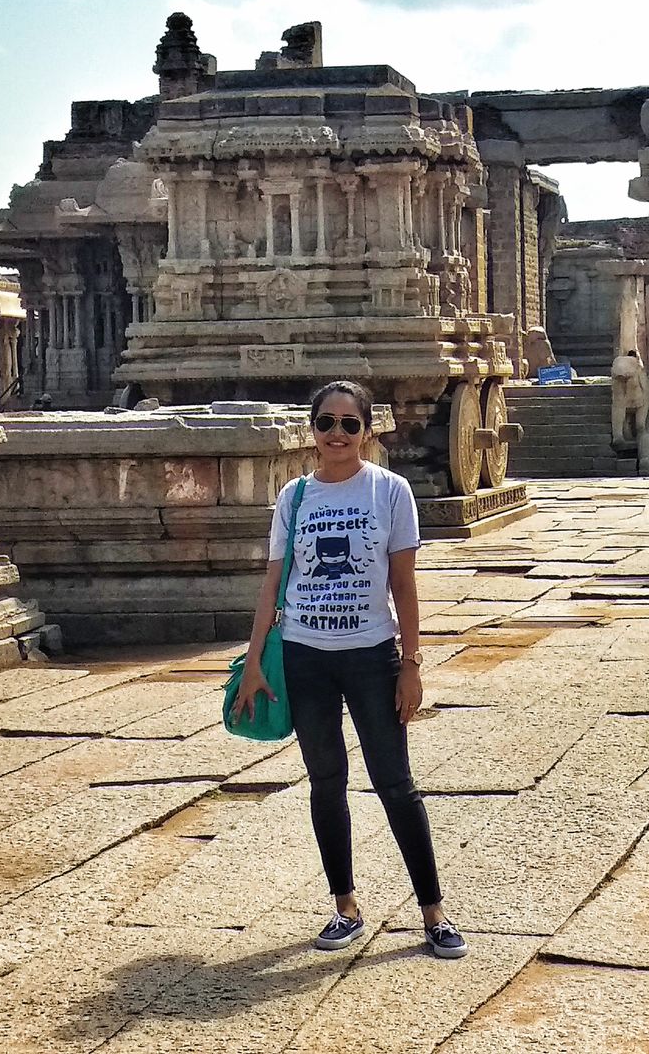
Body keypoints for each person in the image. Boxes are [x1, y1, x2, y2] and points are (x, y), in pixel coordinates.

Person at [232, 380, 466, 960]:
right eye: (326, 423)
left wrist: (411, 663)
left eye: (349, 424)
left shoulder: (390, 491)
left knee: (395, 784)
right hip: (306, 656)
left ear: (367, 430)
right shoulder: (293, 498)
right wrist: (257, 658)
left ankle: (433, 913)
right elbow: (273, 582)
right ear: (312, 430)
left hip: (371, 655)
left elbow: (404, 585)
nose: (337, 434)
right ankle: (345, 905)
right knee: (326, 783)